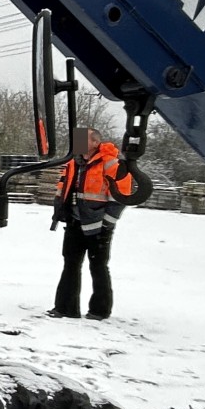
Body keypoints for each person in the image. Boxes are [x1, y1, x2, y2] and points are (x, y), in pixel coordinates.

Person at [52, 127, 136, 319]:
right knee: (70, 264)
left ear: (95, 142)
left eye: (81, 139)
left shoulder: (112, 163)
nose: (76, 142)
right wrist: (60, 212)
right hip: (75, 222)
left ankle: (99, 311)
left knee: (98, 267)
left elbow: (120, 199)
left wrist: (106, 224)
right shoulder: (72, 163)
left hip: (98, 226)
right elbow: (63, 189)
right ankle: (65, 308)